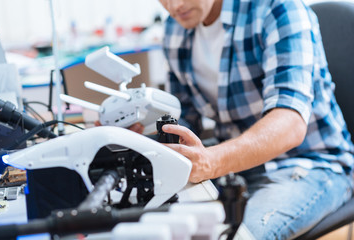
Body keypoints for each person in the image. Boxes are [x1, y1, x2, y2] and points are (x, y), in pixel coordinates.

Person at [144, 0, 354, 239]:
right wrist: (139, 133)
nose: (174, 6)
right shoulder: (175, 29)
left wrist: (212, 161)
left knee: (233, 237)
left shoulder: (278, 9)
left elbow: (290, 124)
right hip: (235, 168)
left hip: (308, 164)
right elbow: (185, 122)